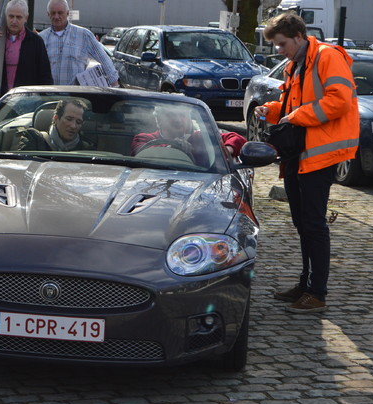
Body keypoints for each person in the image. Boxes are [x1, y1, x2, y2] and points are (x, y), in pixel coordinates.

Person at [254, 13, 359, 313]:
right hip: (301, 154)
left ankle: (317, 293)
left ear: (299, 36)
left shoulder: (326, 57)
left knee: (313, 224)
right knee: (304, 224)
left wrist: (295, 116)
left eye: (282, 43)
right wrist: (273, 110)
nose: (278, 50)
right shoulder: (297, 63)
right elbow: (295, 106)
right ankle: (306, 285)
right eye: (275, 45)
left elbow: (339, 100)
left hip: (320, 154)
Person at [0, 0, 52, 96]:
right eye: (11, 16)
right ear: (6, 16)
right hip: (0, 100)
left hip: (26, 101)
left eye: (19, 17)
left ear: (26, 18)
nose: (14, 21)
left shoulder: (35, 41)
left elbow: (45, 75)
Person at [39, 0, 119, 86]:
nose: (56, 16)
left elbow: (104, 59)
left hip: (75, 96)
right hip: (50, 95)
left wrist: (114, 84)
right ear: (48, 14)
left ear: (67, 13)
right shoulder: (41, 38)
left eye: (60, 13)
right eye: (53, 13)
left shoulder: (84, 35)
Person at [131, 106, 246, 165]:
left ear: (189, 119)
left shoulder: (199, 138)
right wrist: (174, 147)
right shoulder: (144, 138)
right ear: (159, 119)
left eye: (182, 115)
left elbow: (238, 139)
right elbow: (145, 153)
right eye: (171, 115)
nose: (177, 119)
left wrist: (226, 150)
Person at [17, 99, 95, 151]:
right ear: (55, 118)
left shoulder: (86, 150)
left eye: (78, 122)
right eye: (69, 119)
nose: (73, 126)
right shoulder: (34, 139)